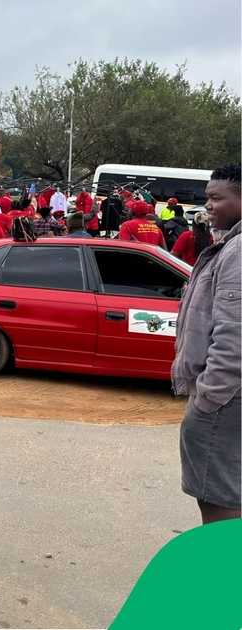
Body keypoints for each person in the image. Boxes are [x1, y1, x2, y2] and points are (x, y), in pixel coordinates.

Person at [173, 164, 241, 526]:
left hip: (226, 399)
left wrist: (208, 398)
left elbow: (235, 336)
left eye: (217, 198)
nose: (207, 205)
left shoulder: (238, 251)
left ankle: (223, 576)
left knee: (219, 500)